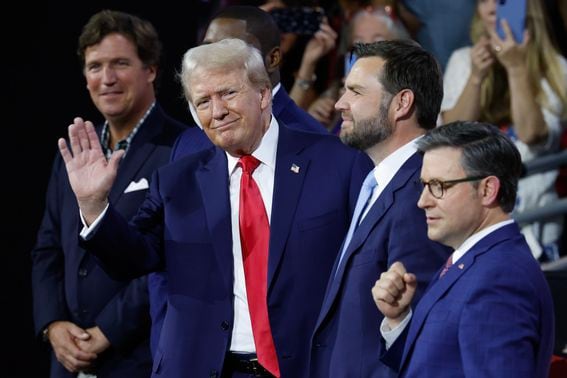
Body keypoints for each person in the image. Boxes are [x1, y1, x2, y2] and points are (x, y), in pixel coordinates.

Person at [58, 38, 372, 378]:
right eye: (203, 102)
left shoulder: (338, 162)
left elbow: (367, 266)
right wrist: (93, 206)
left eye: (227, 93)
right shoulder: (177, 181)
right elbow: (132, 258)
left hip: (308, 367)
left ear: (264, 94)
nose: (217, 111)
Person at [146, 4, 331, 356]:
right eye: (208, 48)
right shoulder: (189, 142)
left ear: (272, 59)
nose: (215, 60)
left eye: (230, 48)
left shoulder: (316, 146)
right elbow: (164, 266)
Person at [31, 10, 189, 377]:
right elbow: (48, 247)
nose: (107, 79)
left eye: (120, 63)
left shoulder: (182, 148)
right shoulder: (73, 152)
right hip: (67, 360)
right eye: (95, 66)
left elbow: (172, 256)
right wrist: (52, 325)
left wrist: (108, 331)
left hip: (139, 358)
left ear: (151, 69)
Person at [309, 40, 451, 377]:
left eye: (355, 92)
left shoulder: (421, 191)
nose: (341, 104)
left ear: (402, 103)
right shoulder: (380, 181)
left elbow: (416, 329)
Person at [373, 121, 555, 377]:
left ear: (487, 189)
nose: (422, 202)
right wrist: (399, 320)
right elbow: (438, 364)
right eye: (424, 185)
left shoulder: (500, 278)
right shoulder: (474, 260)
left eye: (439, 186)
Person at [441, 0, 567, 261]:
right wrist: (476, 78)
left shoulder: (556, 66)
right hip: (472, 221)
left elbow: (532, 133)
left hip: (534, 222)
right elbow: (449, 138)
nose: (493, 5)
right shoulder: (463, 60)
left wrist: (517, 68)